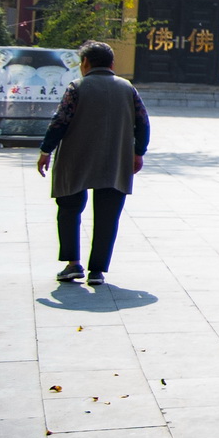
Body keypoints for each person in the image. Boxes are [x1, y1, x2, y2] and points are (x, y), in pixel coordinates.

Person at [38, 41, 149, 287]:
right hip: (114, 160)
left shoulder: (77, 87)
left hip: (75, 159)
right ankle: (97, 271)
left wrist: (46, 150)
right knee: (108, 215)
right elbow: (143, 122)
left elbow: (60, 121)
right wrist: (138, 152)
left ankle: (72, 264)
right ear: (112, 64)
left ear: (85, 63)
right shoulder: (127, 88)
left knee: (68, 208)